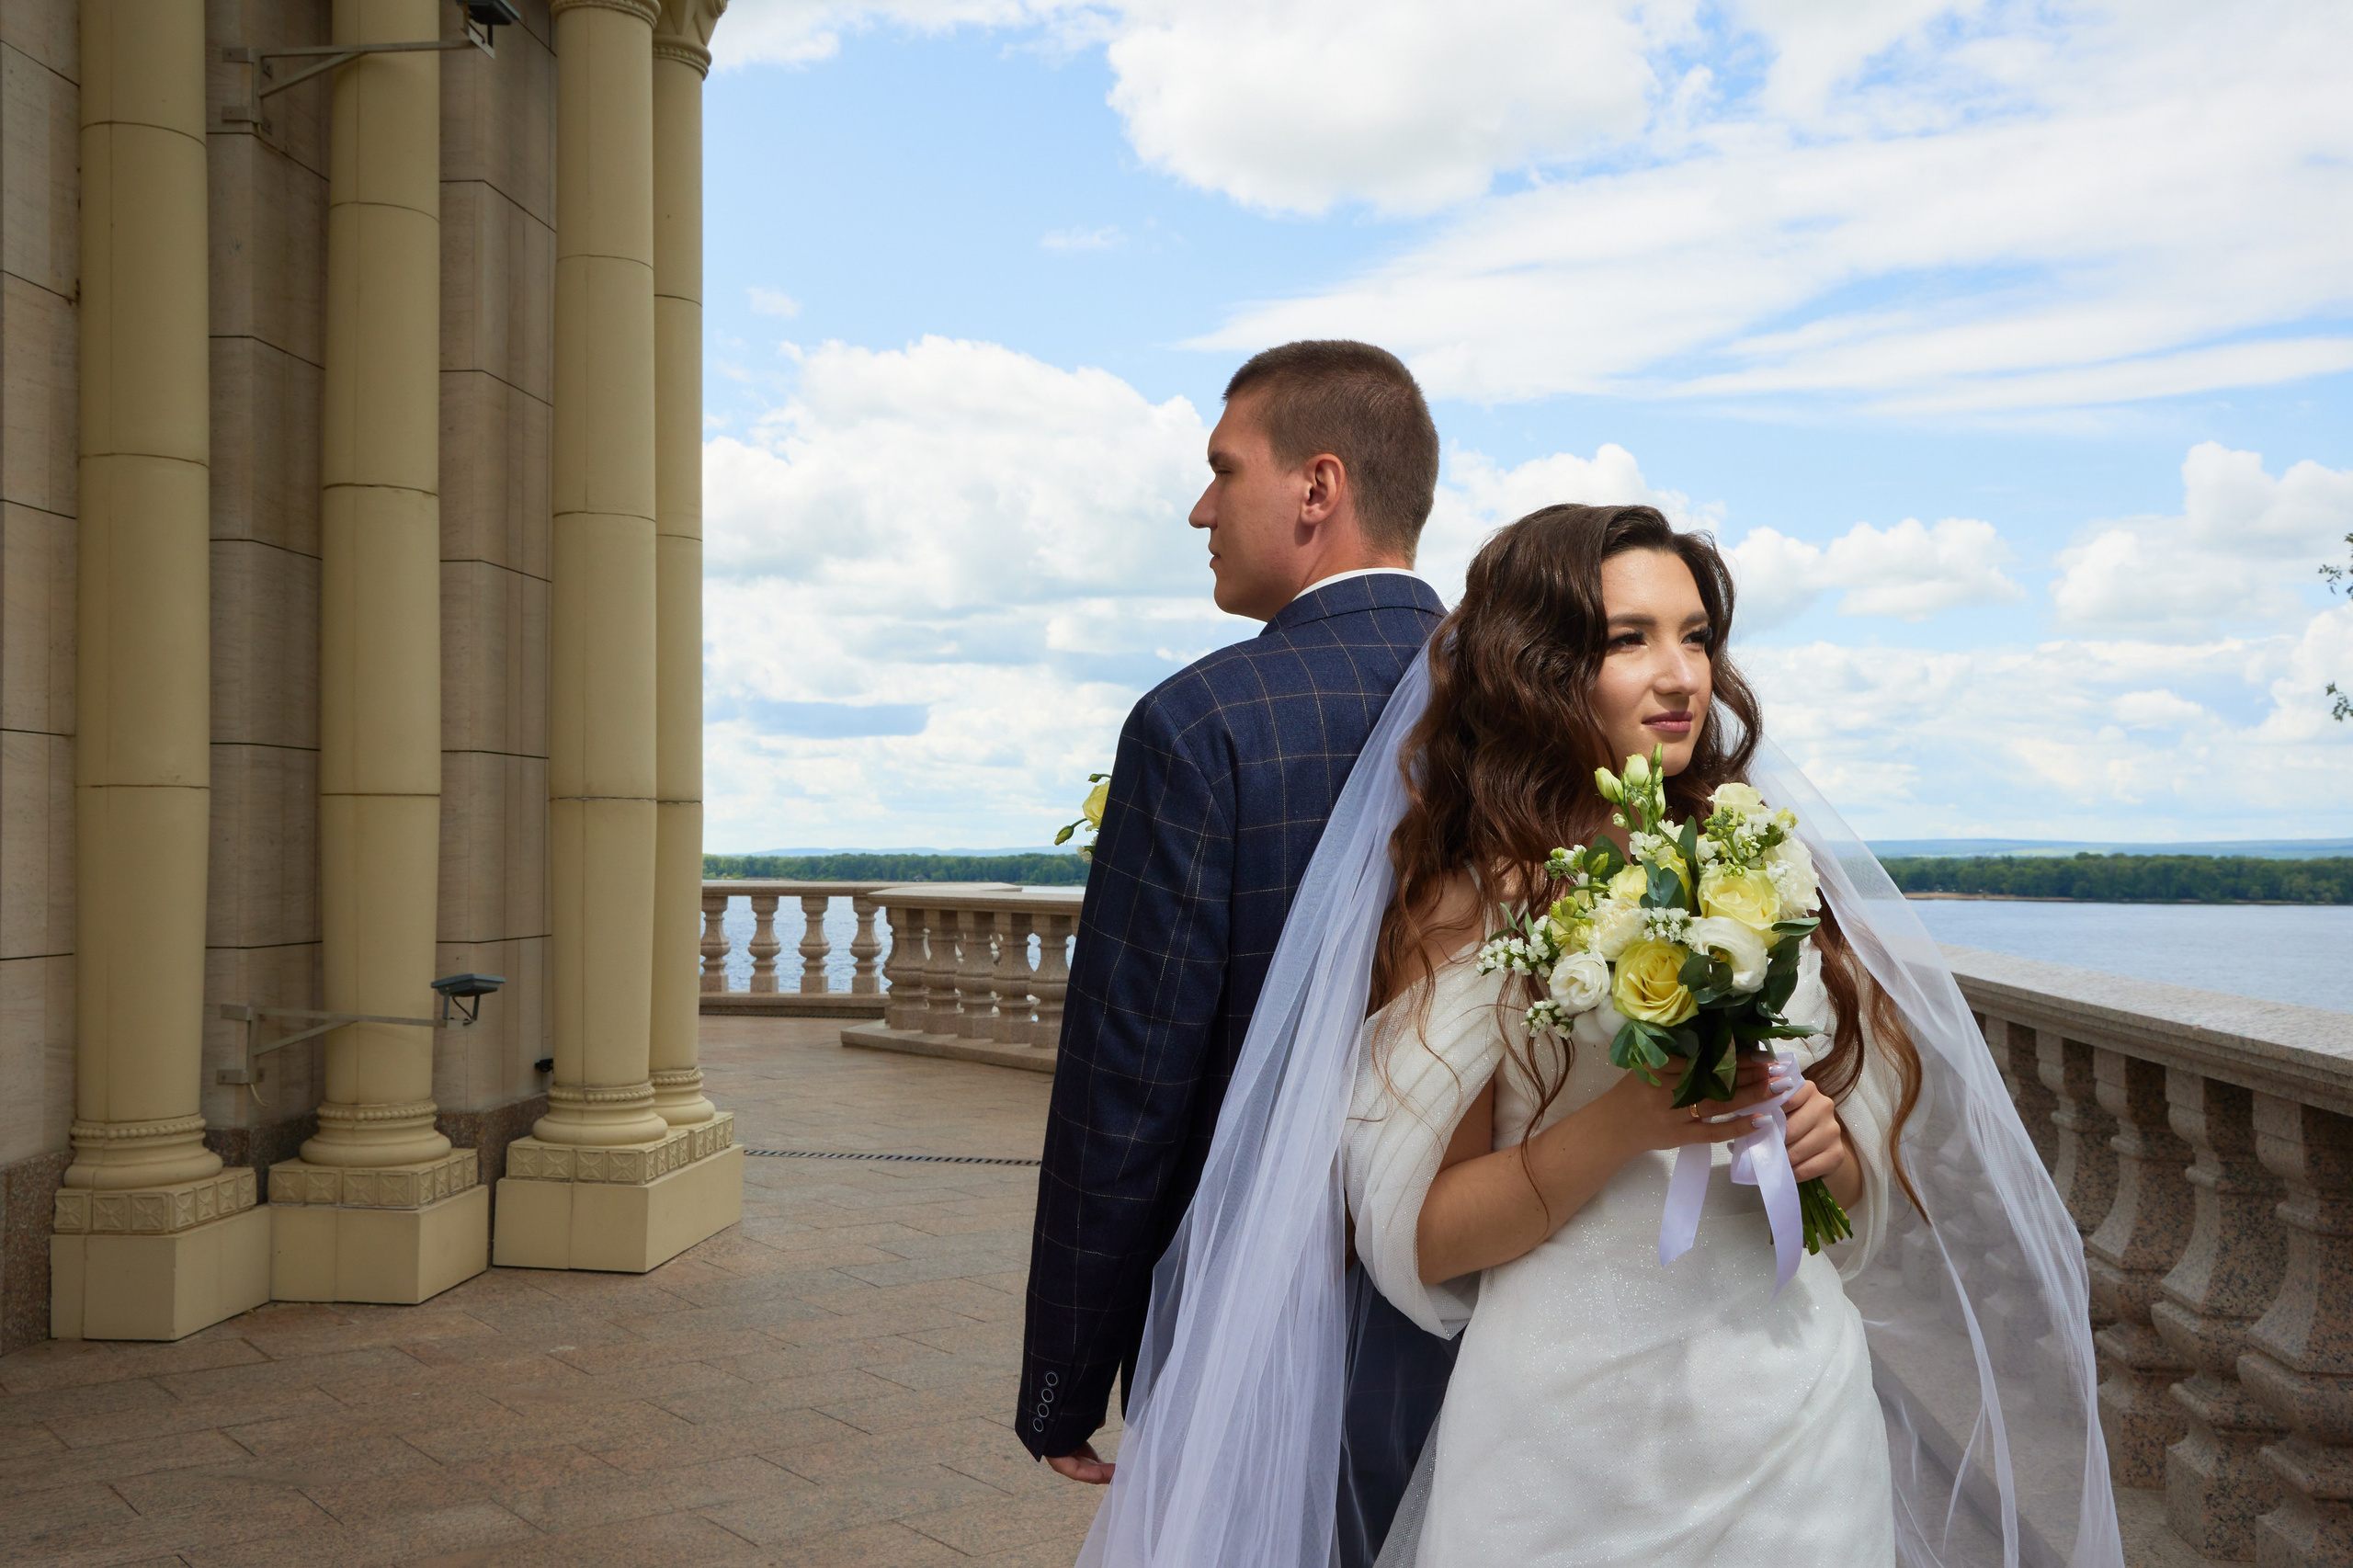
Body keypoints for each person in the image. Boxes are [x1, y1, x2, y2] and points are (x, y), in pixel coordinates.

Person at [1074, 504, 2121, 1567]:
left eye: (1695, 637)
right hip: (1563, 1439)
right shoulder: (1471, 902)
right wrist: (1626, 1120)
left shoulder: (1758, 854)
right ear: (1536, 665)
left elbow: (1844, 1202)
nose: (1680, 676)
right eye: (1630, 639)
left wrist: (1825, 1149)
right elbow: (1424, 1234)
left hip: (1794, 1411)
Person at [1017, 341, 1461, 1558]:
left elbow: (1127, 1088)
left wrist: (1065, 1371)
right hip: (1494, 1308)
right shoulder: (1536, 708)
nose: (1200, 510)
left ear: (1318, 487)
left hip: (1252, 1323)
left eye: (1223, 470)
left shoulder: (1200, 723)